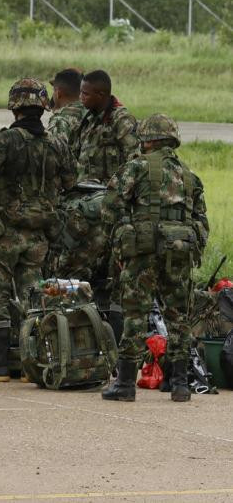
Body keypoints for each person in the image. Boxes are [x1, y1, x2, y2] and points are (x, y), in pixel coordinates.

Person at [0, 78, 76, 380]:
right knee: (32, 296)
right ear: (43, 106)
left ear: (14, 107)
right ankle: (32, 363)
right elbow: (71, 181)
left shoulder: (4, 141)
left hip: (4, 234)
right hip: (39, 234)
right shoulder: (57, 144)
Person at [101, 114, 208, 402]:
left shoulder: (135, 168)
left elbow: (110, 207)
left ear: (147, 139)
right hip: (180, 254)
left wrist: (125, 237)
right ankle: (180, 384)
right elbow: (201, 221)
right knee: (179, 318)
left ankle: (125, 385)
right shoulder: (189, 175)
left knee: (136, 314)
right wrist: (187, 243)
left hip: (143, 253)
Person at [71, 69, 140, 335]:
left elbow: (135, 163)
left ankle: (117, 336)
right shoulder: (87, 119)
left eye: (85, 93)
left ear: (101, 94)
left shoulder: (121, 121)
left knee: (113, 275)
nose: (81, 98)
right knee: (88, 270)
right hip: (86, 209)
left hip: (111, 208)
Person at [47, 68, 86, 151]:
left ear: (58, 93)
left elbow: (53, 158)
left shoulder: (59, 122)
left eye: (53, 90)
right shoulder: (95, 113)